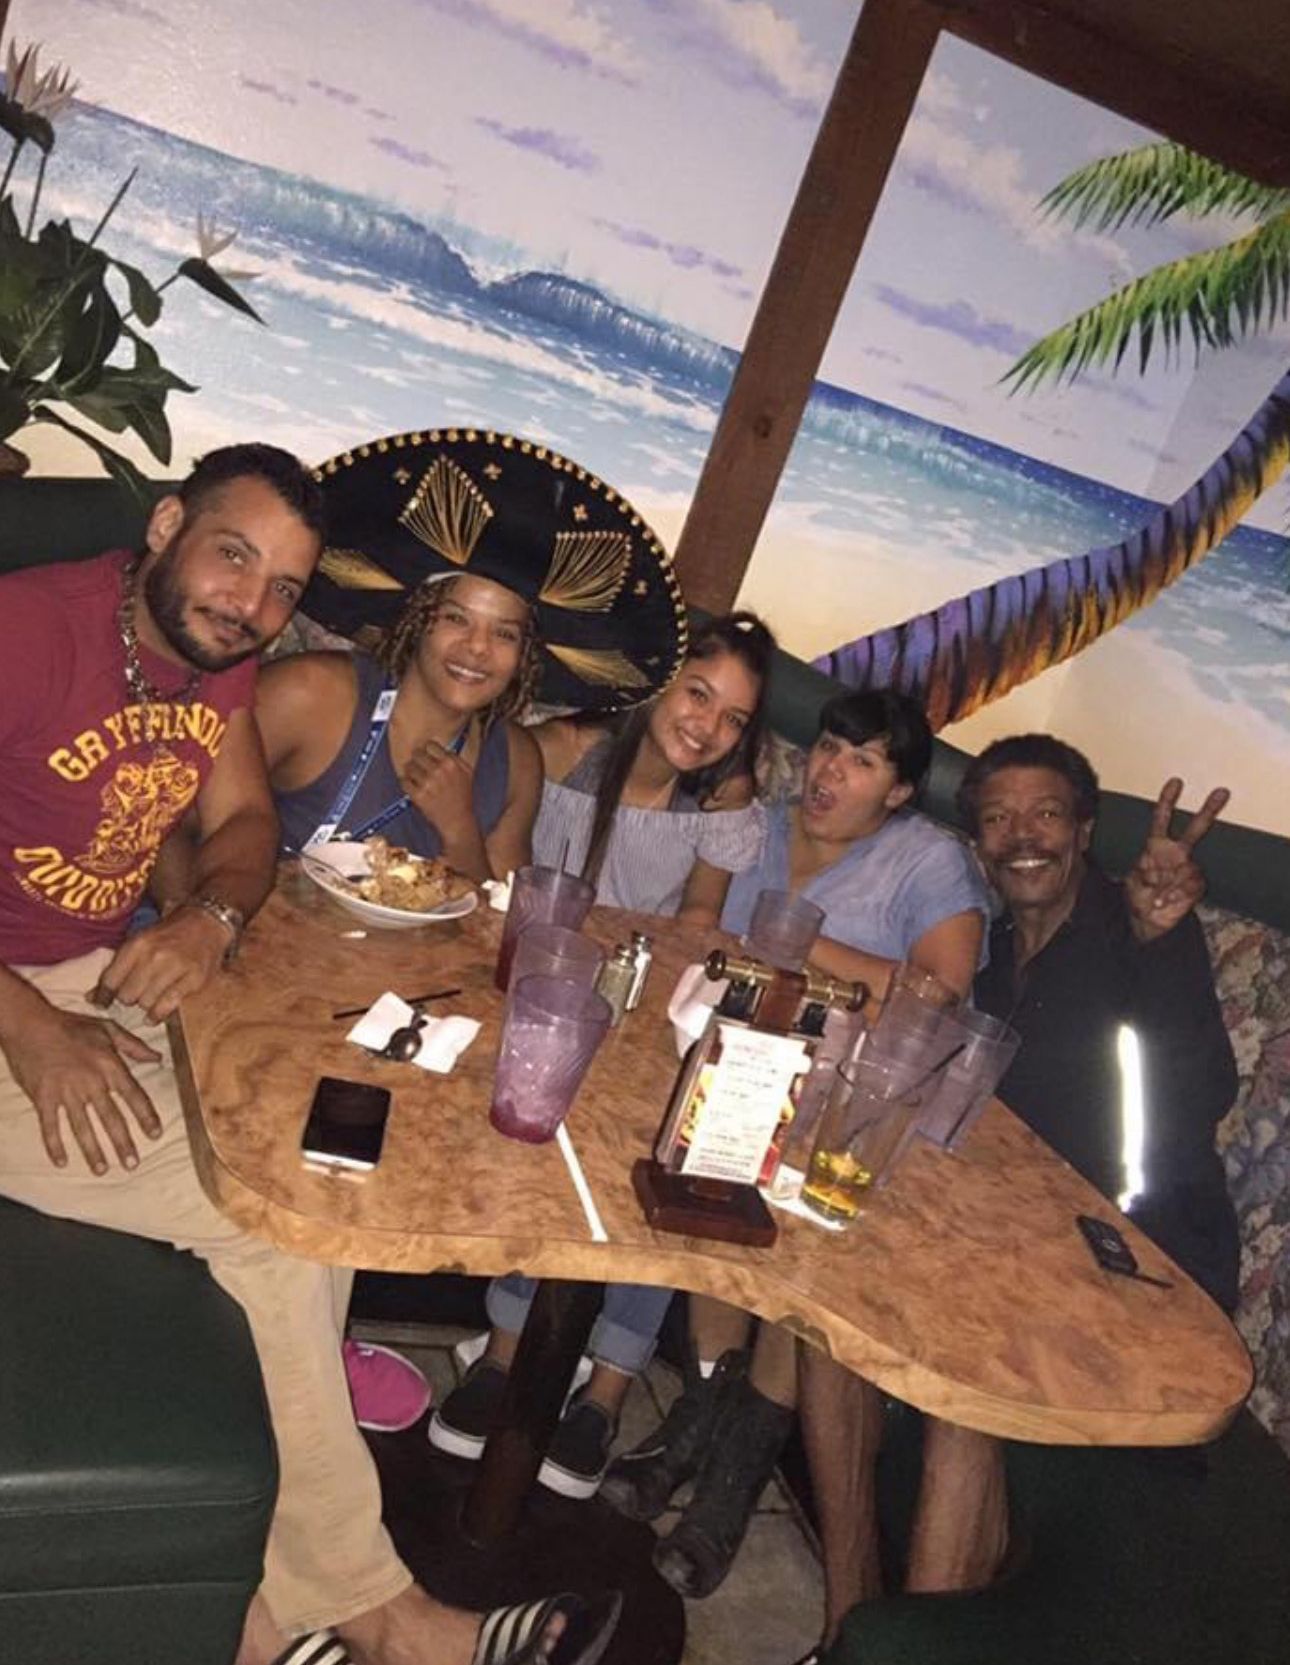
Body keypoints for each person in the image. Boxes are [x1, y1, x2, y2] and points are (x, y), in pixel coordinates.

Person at [0, 443, 622, 1665]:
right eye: (234, 557)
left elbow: (241, 825)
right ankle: (380, 1617)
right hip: (22, 1007)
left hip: (99, 979)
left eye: (283, 585)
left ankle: (263, 1620)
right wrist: (30, 1027)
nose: (252, 602)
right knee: (277, 1219)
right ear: (167, 525)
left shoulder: (214, 663)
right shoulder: (26, 630)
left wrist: (209, 915)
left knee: (314, 1165)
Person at [792, 733, 1238, 1658]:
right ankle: (847, 1622)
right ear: (978, 842)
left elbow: (1200, 1095)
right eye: (997, 817)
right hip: (1011, 1242)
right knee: (828, 1308)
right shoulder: (992, 958)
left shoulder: (1136, 935)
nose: (1021, 834)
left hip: (1139, 1267)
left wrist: (1167, 940)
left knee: (968, 1383)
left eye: (1045, 813)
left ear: (1085, 829)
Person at [284, 427, 691, 1440]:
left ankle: (324, 1325)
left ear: (526, 657)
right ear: (417, 621)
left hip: (385, 1010)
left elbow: (494, 919)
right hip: (270, 985)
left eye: (504, 633)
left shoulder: (514, 755)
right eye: (456, 619)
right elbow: (196, 810)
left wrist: (459, 818)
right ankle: (299, 1343)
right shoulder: (321, 693)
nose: (476, 648)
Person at [599, 689, 992, 1601]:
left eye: (862, 762)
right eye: (826, 748)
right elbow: (699, 928)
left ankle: (730, 1479)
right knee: (710, 1183)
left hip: (855, 1110)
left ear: (900, 791)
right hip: (742, 1074)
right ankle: (698, 1420)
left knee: (799, 1249)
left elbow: (941, 992)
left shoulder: (929, 859)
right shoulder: (764, 824)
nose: (830, 771)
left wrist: (805, 946)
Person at [430, 612, 777, 1500]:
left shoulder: (718, 801)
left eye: (734, 718)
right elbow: (494, 875)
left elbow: (699, 920)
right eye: (697, 693)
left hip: (640, 1005)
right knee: (549, 1113)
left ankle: (608, 1388)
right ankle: (504, 1353)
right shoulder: (558, 750)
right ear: (657, 679)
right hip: (535, 992)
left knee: (670, 1149)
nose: (707, 725)